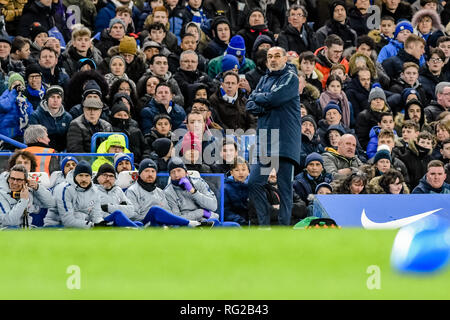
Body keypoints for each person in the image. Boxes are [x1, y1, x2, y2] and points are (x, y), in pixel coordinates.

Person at [246, 46, 301, 226]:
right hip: (267, 141)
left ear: (285, 59)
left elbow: (274, 99)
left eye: (277, 56)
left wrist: (259, 97)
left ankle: (283, 229)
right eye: (270, 56)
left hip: (285, 140)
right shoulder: (263, 79)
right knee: (254, 182)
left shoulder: (291, 78)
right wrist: (265, 99)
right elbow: (249, 106)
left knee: (285, 189)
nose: (273, 59)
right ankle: (265, 225)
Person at [124, 158, 211, 227]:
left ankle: (194, 225)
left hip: (161, 224)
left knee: (217, 222)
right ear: (139, 174)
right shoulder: (132, 191)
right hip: (143, 224)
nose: (150, 174)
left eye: (153, 171)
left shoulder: (160, 192)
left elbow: (169, 213)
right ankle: (190, 223)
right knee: (155, 210)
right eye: (146, 171)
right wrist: (155, 216)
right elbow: (132, 215)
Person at [164, 157, 239, 227]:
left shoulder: (198, 182)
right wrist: (201, 212)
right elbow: (176, 220)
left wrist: (193, 191)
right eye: (173, 172)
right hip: (188, 226)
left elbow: (213, 206)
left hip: (207, 222)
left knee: (234, 226)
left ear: (186, 172)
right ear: (170, 175)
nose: (176, 175)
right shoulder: (168, 192)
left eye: (179, 170)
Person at [0, 164, 55, 228]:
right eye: (12, 179)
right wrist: (23, 201)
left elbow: (51, 204)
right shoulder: (1, 194)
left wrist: (38, 188)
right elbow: (8, 221)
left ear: (25, 181)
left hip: (27, 228)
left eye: (19, 180)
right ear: (8, 179)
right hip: (6, 232)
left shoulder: (28, 190)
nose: (14, 182)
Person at [93, 163, 143, 228]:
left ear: (115, 179)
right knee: (117, 214)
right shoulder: (92, 190)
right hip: (102, 223)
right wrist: (118, 210)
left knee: (139, 223)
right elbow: (92, 212)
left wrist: (108, 207)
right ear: (97, 177)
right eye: (104, 175)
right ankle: (139, 232)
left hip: (117, 221)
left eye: (111, 176)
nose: (108, 179)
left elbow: (131, 210)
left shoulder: (118, 190)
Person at [28, 85, 73, 152]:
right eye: (52, 97)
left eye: (58, 97)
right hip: (42, 152)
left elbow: (70, 140)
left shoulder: (68, 117)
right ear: (47, 99)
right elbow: (33, 139)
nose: (55, 100)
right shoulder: (35, 116)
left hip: (62, 153)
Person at [0, 72, 34, 144]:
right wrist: (14, 92)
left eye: (19, 84)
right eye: (15, 84)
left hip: (20, 138)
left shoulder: (25, 101)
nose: (17, 87)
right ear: (10, 86)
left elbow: (31, 117)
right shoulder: (4, 97)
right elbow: (5, 106)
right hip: (5, 137)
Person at [224, 157, 250, 226]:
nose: (241, 172)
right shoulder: (225, 188)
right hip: (236, 224)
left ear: (248, 172)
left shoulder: (253, 187)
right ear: (231, 173)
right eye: (237, 170)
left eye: (243, 169)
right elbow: (226, 211)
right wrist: (242, 222)